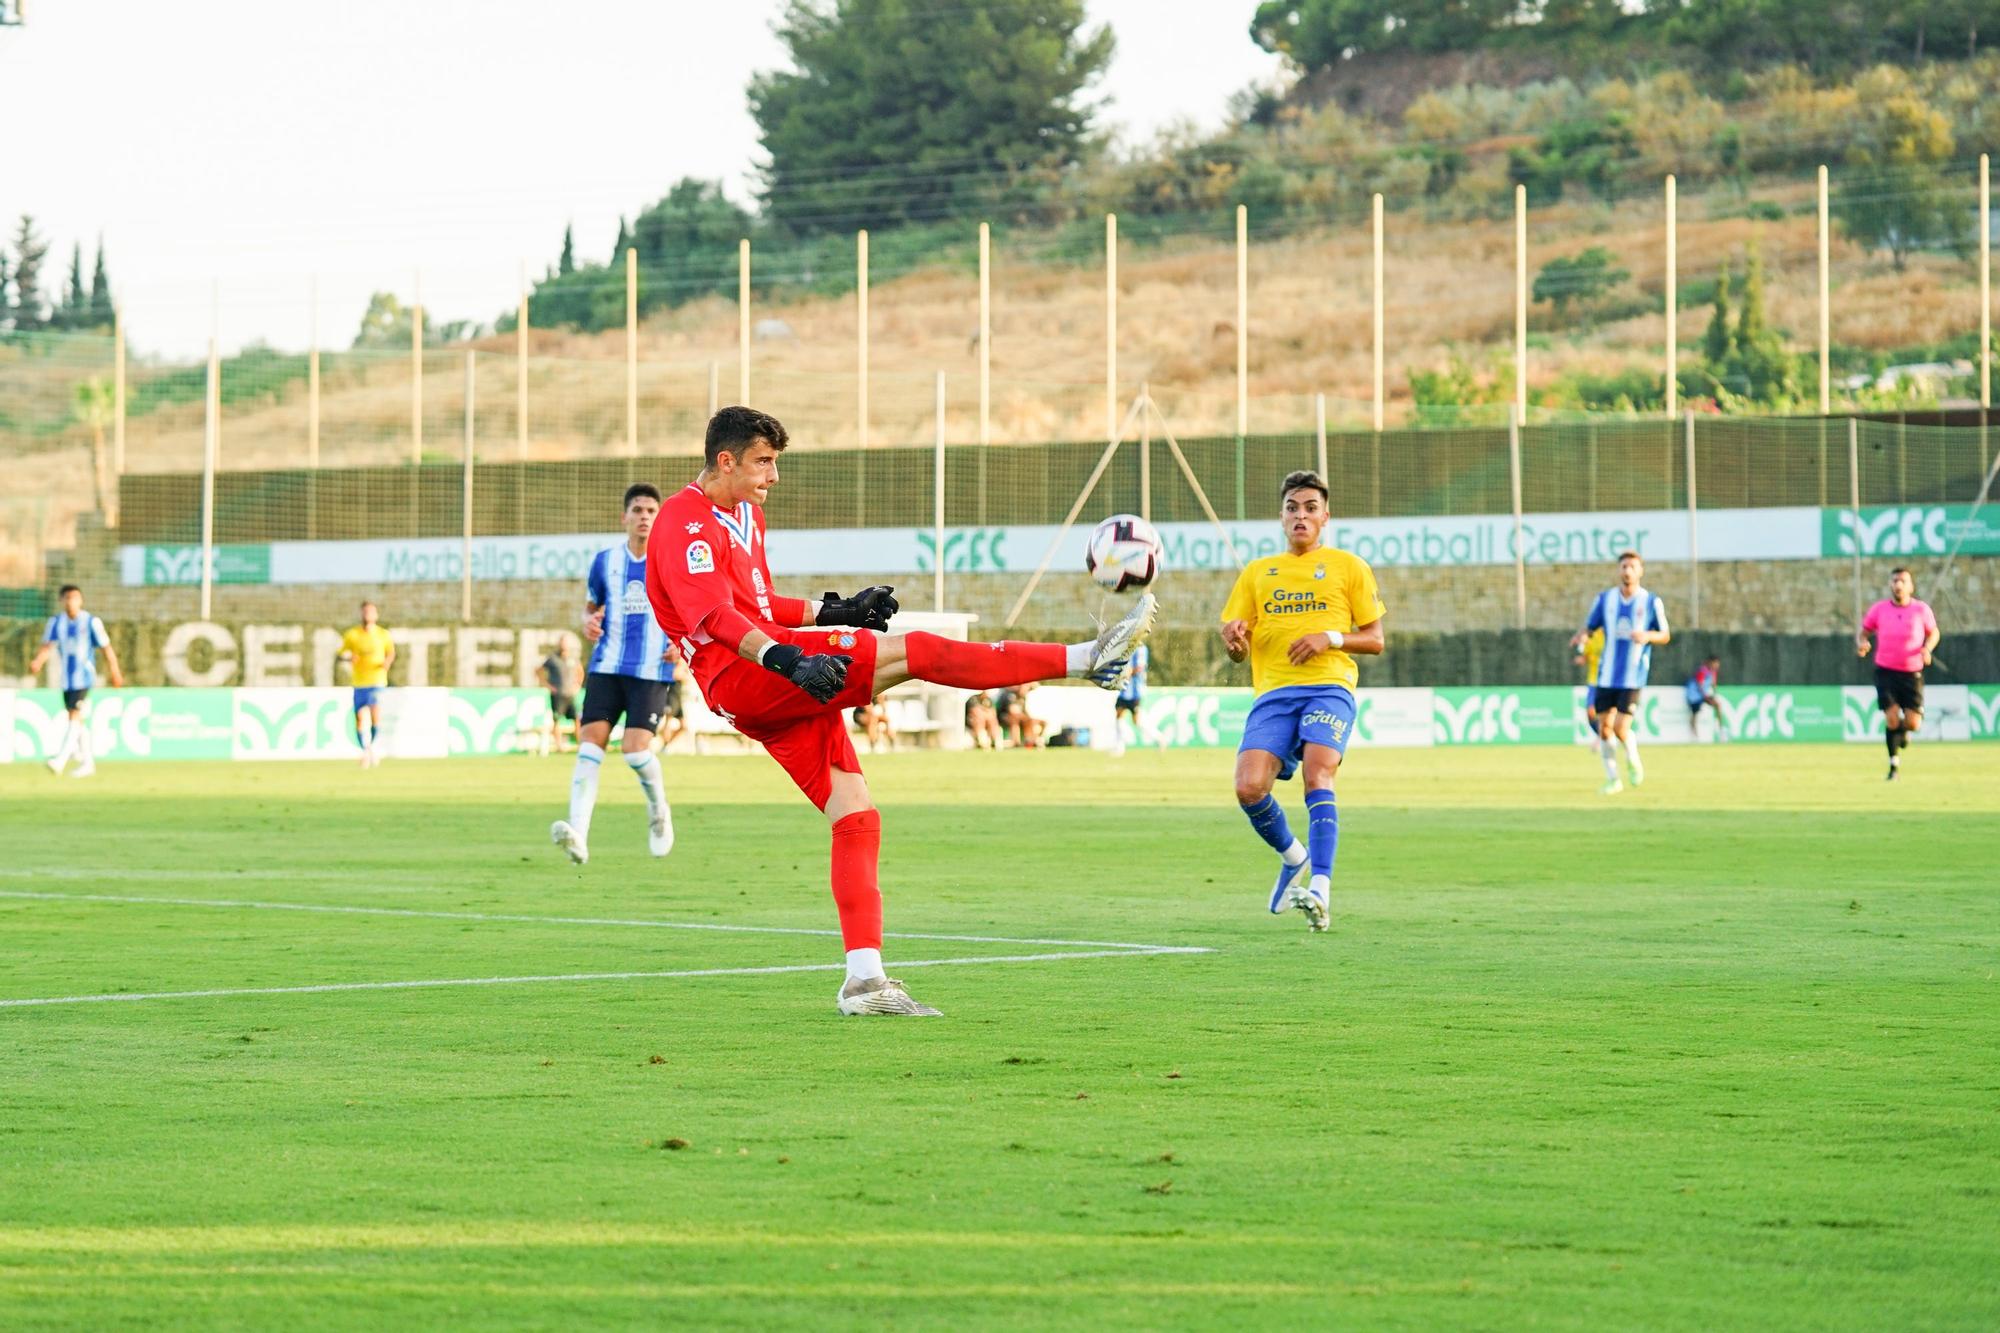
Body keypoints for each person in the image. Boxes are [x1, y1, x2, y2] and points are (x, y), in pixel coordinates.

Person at [644, 406, 1155, 1016]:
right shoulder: (681, 523)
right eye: (763, 463)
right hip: (745, 674)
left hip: (774, 676)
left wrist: (839, 611)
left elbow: (760, 601)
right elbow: (717, 619)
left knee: (856, 814)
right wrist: (787, 662)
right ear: (725, 461)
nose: (773, 477)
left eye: (776, 463)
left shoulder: (745, 517)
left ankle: (864, 982)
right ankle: (1084, 657)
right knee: (914, 652)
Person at [1219, 470, 1386, 934]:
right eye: (1293, 507)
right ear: (1281, 515)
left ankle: (1321, 889)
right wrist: (1234, 644)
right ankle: (1294, 856)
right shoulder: (1257, 573)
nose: (1301, 515)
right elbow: (1237, 642)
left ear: (1325, 516)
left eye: (1311, 507)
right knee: (1249, 788)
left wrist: (1328, 638)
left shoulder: (1348, 566)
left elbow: (1375, 639)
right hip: (1273, 693)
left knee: (1318, 772)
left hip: (1329, 687)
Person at [553, 483, 677, 865]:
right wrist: (588, 622)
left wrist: (683, 644)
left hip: (652, 669)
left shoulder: (670, 562)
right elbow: (590, 608)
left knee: (635, 751)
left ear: (659, 518)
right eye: (637, 510)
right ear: (624, 517)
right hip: (606, 666)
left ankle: (659, 811)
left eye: (651, 511)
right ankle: (578, 835)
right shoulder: (605, 562)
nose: (644, 516)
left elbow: (692, 613)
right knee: (590, 745)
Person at [1569, 551, 1669, 795]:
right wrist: (1582, 635)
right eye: (1624, 566)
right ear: (1619, 570)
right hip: (1606, 676)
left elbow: (1665, 635)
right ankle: (1613, 779)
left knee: (1621, 727)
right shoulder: (1605, 600)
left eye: (1632, 567)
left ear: (1640, 571)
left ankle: (1633, 758)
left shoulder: (1651, 602)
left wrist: (1647, 635)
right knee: (1604, 728)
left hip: (1632, 677)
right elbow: (1590, 627)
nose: (1627, 571)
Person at [28, 584, 124, 778]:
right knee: (77, 721)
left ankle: (60, 760)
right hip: (66, 680)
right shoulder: (56, 622)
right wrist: (38, 661)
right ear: (62, 600)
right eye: (68, 598)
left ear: (81, 600)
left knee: (74, 715)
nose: (72, 601)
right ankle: (88, 763)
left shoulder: (90, 622)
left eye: (75, 598)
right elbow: (48, 645)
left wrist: (115, 670)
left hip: (85, 678)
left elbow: (106, 647)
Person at [1856, 567, 1940, 781]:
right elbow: (1864, 632)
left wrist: (1927, 649)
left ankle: (1904, 735)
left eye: (1903, 580)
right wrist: (1862, 642)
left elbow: (1934, 633)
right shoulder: (1879, 610)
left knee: (1913, 724)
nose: (1898, 584)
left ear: (1910, 586)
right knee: (1892, 719)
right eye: (1895, 580)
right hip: (1886, 672)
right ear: (1890, 585)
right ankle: (1893, 766)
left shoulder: (1921, 610)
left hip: (1912, 673)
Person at [337, 601, 394, 768]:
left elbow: (391, 652)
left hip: (377, 680)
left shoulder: (383, 634)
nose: (368, 614)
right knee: (360, 718)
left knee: (375, 715)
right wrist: (349, 658)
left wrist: (387, 663)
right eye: (365, 611)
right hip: (359, 682)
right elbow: (341, 654)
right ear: (361, 614)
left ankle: (373, 749)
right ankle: (366, 751)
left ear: (376, 615)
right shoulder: (352, 635)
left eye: (371, 612)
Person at [540, 638, 581, 752]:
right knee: (557, 720)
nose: (564, 646)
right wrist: (547, 685)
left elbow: (580, 671)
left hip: (570, 694)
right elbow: (539, 671)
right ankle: (559, 747)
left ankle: (580, 745)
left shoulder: (573, 658)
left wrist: (577, 685)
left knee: (577, 719)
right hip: (558, 695)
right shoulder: (552, 658)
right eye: (563, 643)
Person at [1110, 642, 1147, 755]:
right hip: (1124, 691)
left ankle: (1159, 738)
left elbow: (1139, 668)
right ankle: (1120, 747)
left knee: (1136, 722)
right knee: (1118, 716)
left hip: (1134, 692)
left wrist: (1127, 673)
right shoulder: (1126, 647)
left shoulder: (1140, 648)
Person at [1684, 655, 1727, 742]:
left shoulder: (1713, 672)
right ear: (1710, 662)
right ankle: (1694, 736)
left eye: (1717, 664)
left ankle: (1721, 730)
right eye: (1715, 663)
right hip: (1694, 695)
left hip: (1703, 695)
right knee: (1695, 714)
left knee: (1718, 705)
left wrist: (1714, 694)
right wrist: (1706, 697)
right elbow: (1700, 685)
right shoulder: (1703, 671)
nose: (1716, 666)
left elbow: (1713, 684)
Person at [994, 682, 1044, 748]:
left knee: (1033, 721)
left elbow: (1024, 711)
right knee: (1015, 719)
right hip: (1004, 717)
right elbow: (1012, 711)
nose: (1027, 690)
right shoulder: (1009, 694)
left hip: (1019, 717)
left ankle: (1030, 741)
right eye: (1026, 688)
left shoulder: (1023, 697)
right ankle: (1016, 742)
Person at [1575, 625, 1604, 738]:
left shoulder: (1611, 636)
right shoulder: (1592, 637)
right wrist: (1581, 659)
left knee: (1608, 714)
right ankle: (1602, 736)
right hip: (1593, 681)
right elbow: (1585, 656)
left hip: (1608, 682)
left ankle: (1606, 737)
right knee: (1590, 713)